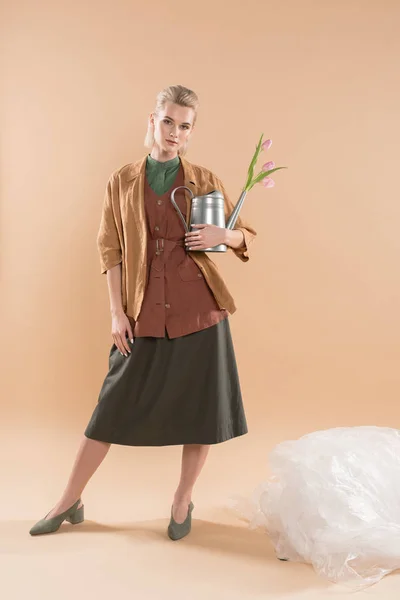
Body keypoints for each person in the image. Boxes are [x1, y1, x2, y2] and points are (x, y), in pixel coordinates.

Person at [29, 84, 257, 539]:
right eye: (168, 121)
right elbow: (109, 248)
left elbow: (242, 235)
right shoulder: (122, 180)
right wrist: (117, 313)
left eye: (184, 126)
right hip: (142, 310)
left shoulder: (204, 180)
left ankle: (180, 500)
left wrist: (224, 236)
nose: (175, 132)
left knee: (202, 412)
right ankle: (68, 499)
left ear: (191, 134)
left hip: (200, 313)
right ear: (152, 121)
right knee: (109, 409)